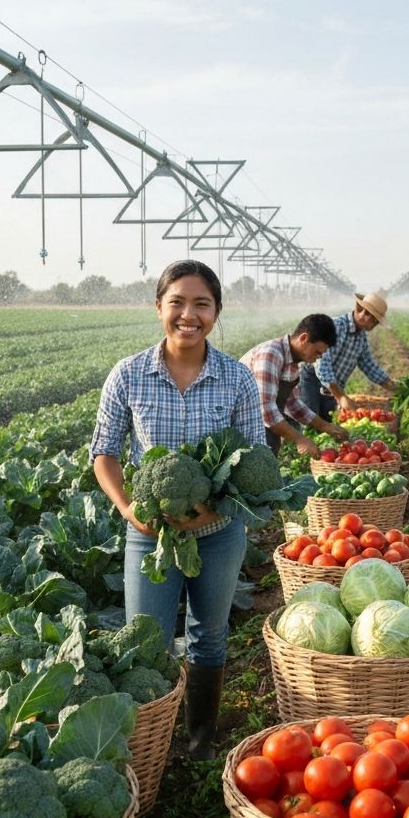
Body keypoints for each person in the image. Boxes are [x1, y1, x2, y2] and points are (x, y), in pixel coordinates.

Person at [90, 259, 264, 761]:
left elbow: (254, 458)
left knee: (209, 636)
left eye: (201, 304)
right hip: (150, 534)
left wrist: (210, 513)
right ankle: (148, 747)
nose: (189, 314)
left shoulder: (236, 378)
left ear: (216, 312)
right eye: (177, 303)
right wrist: (128, 510)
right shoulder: (128, 374)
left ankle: (200, 742)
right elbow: (103, 453)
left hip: (221, 531)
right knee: (146, 643)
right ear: (159, 308)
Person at [239, 313, 350, 458]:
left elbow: (292, 404)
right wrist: (300, 440)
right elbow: (265, 409)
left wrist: (325, 426)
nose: (320, 357)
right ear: (304, 338)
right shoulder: (271, 354)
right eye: (317, 352)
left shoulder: (292, 363)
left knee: (265, 469)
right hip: (241, 424)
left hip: (263, 426)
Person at [298, 291, 397, 421]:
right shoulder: (334, 327)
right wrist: (341, 397)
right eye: (375, 320)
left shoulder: (361, 338)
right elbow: (323, 367)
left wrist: (391, 385)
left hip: (333, 387)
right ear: (363, 313)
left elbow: (369, 365)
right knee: (310, 421)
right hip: (312, 381)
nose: (375, 325)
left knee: (327, 425)